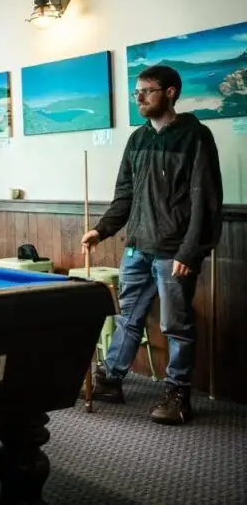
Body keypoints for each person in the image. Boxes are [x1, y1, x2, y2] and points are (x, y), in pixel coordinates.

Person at [83, 65, 222, 425]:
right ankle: (111, 380)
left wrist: (190, 252)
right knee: (128, 317)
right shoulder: (138, 139)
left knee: (176, 325)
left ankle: (178, 394)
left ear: (171, 92)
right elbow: (124, 195)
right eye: (137, 92)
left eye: (148, 91)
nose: (140, 98)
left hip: (174, 252)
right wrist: (102, 230)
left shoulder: (196, 137)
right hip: (137, 247)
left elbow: (205, 202)